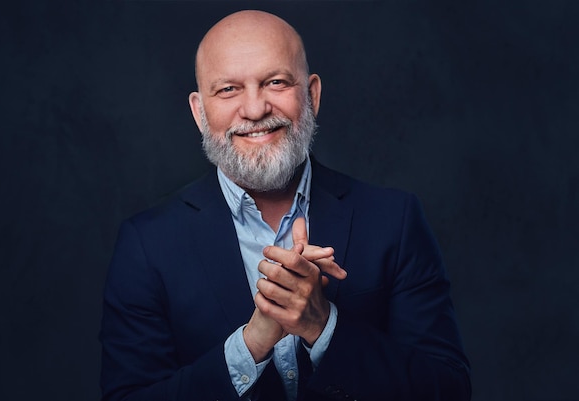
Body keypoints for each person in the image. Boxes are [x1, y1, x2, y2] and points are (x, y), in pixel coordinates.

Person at [100, 10, 471, 401]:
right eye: (228, 89)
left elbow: (448, 390)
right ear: (199, 111)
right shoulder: (146, 244)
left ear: (311, 95)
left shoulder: (393, 220)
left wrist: (323, 325)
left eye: (275, 82)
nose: (255, 109)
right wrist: (251, 344)